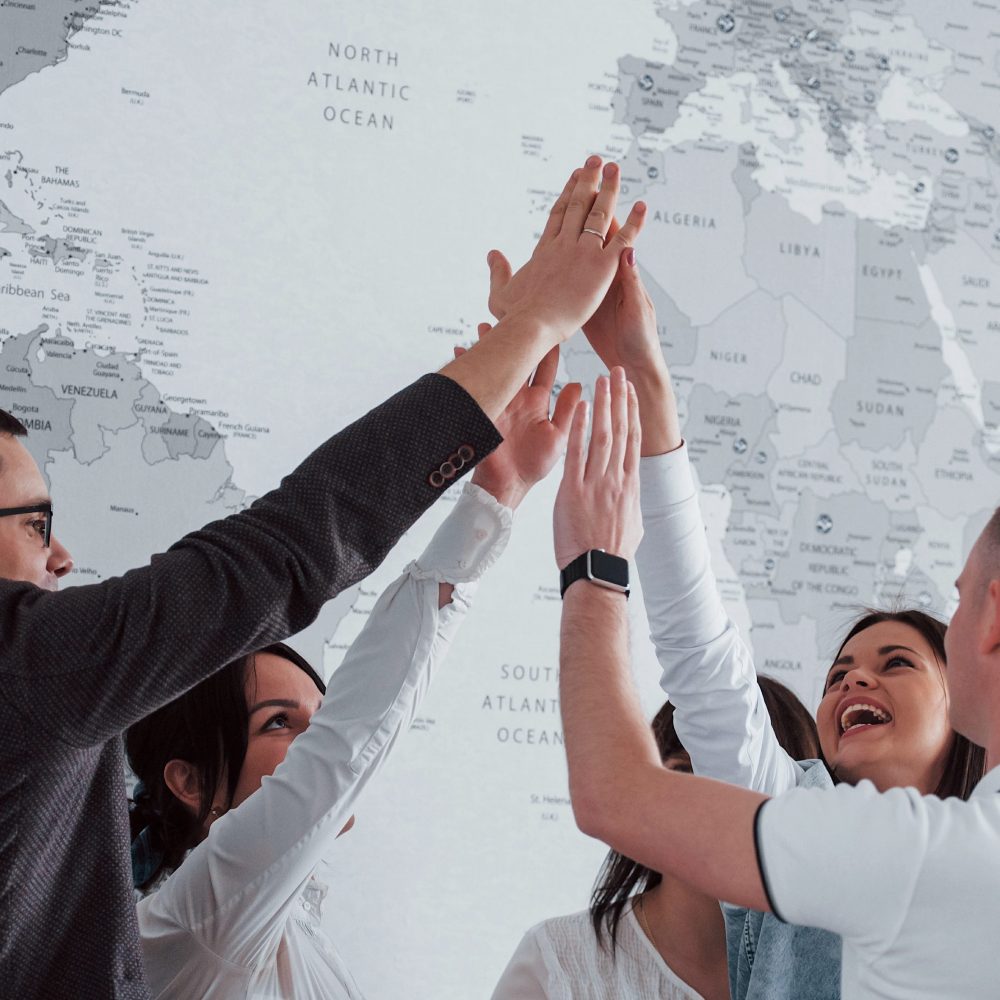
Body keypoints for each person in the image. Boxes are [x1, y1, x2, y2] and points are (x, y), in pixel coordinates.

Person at [0, 156, 647, 999]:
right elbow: (287, 556)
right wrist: (526, 329)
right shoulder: (32, 679)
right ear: (186, 782)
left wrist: (499, 484)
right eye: (34, 523)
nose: (62, 557)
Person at [488, 239, 985, 999]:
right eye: (839, 671)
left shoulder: (949, 854)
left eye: (897, 662)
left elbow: (617, 788)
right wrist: (648, 387)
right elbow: (704, 658)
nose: (855, 677)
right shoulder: (806, 816)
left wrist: (594, 566)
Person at [126, 346, 575, 998]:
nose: (316, 735)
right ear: (188, 782)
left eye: (318, 711)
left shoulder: (286, 928)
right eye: (280, 722)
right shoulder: (199, 921)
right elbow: (349, 741)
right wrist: (493, 494)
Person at [491, 679, 819, 1000]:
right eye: (685, 773)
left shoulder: (847, 963)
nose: (711, 805)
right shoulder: (558, 961)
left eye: (749, 785)